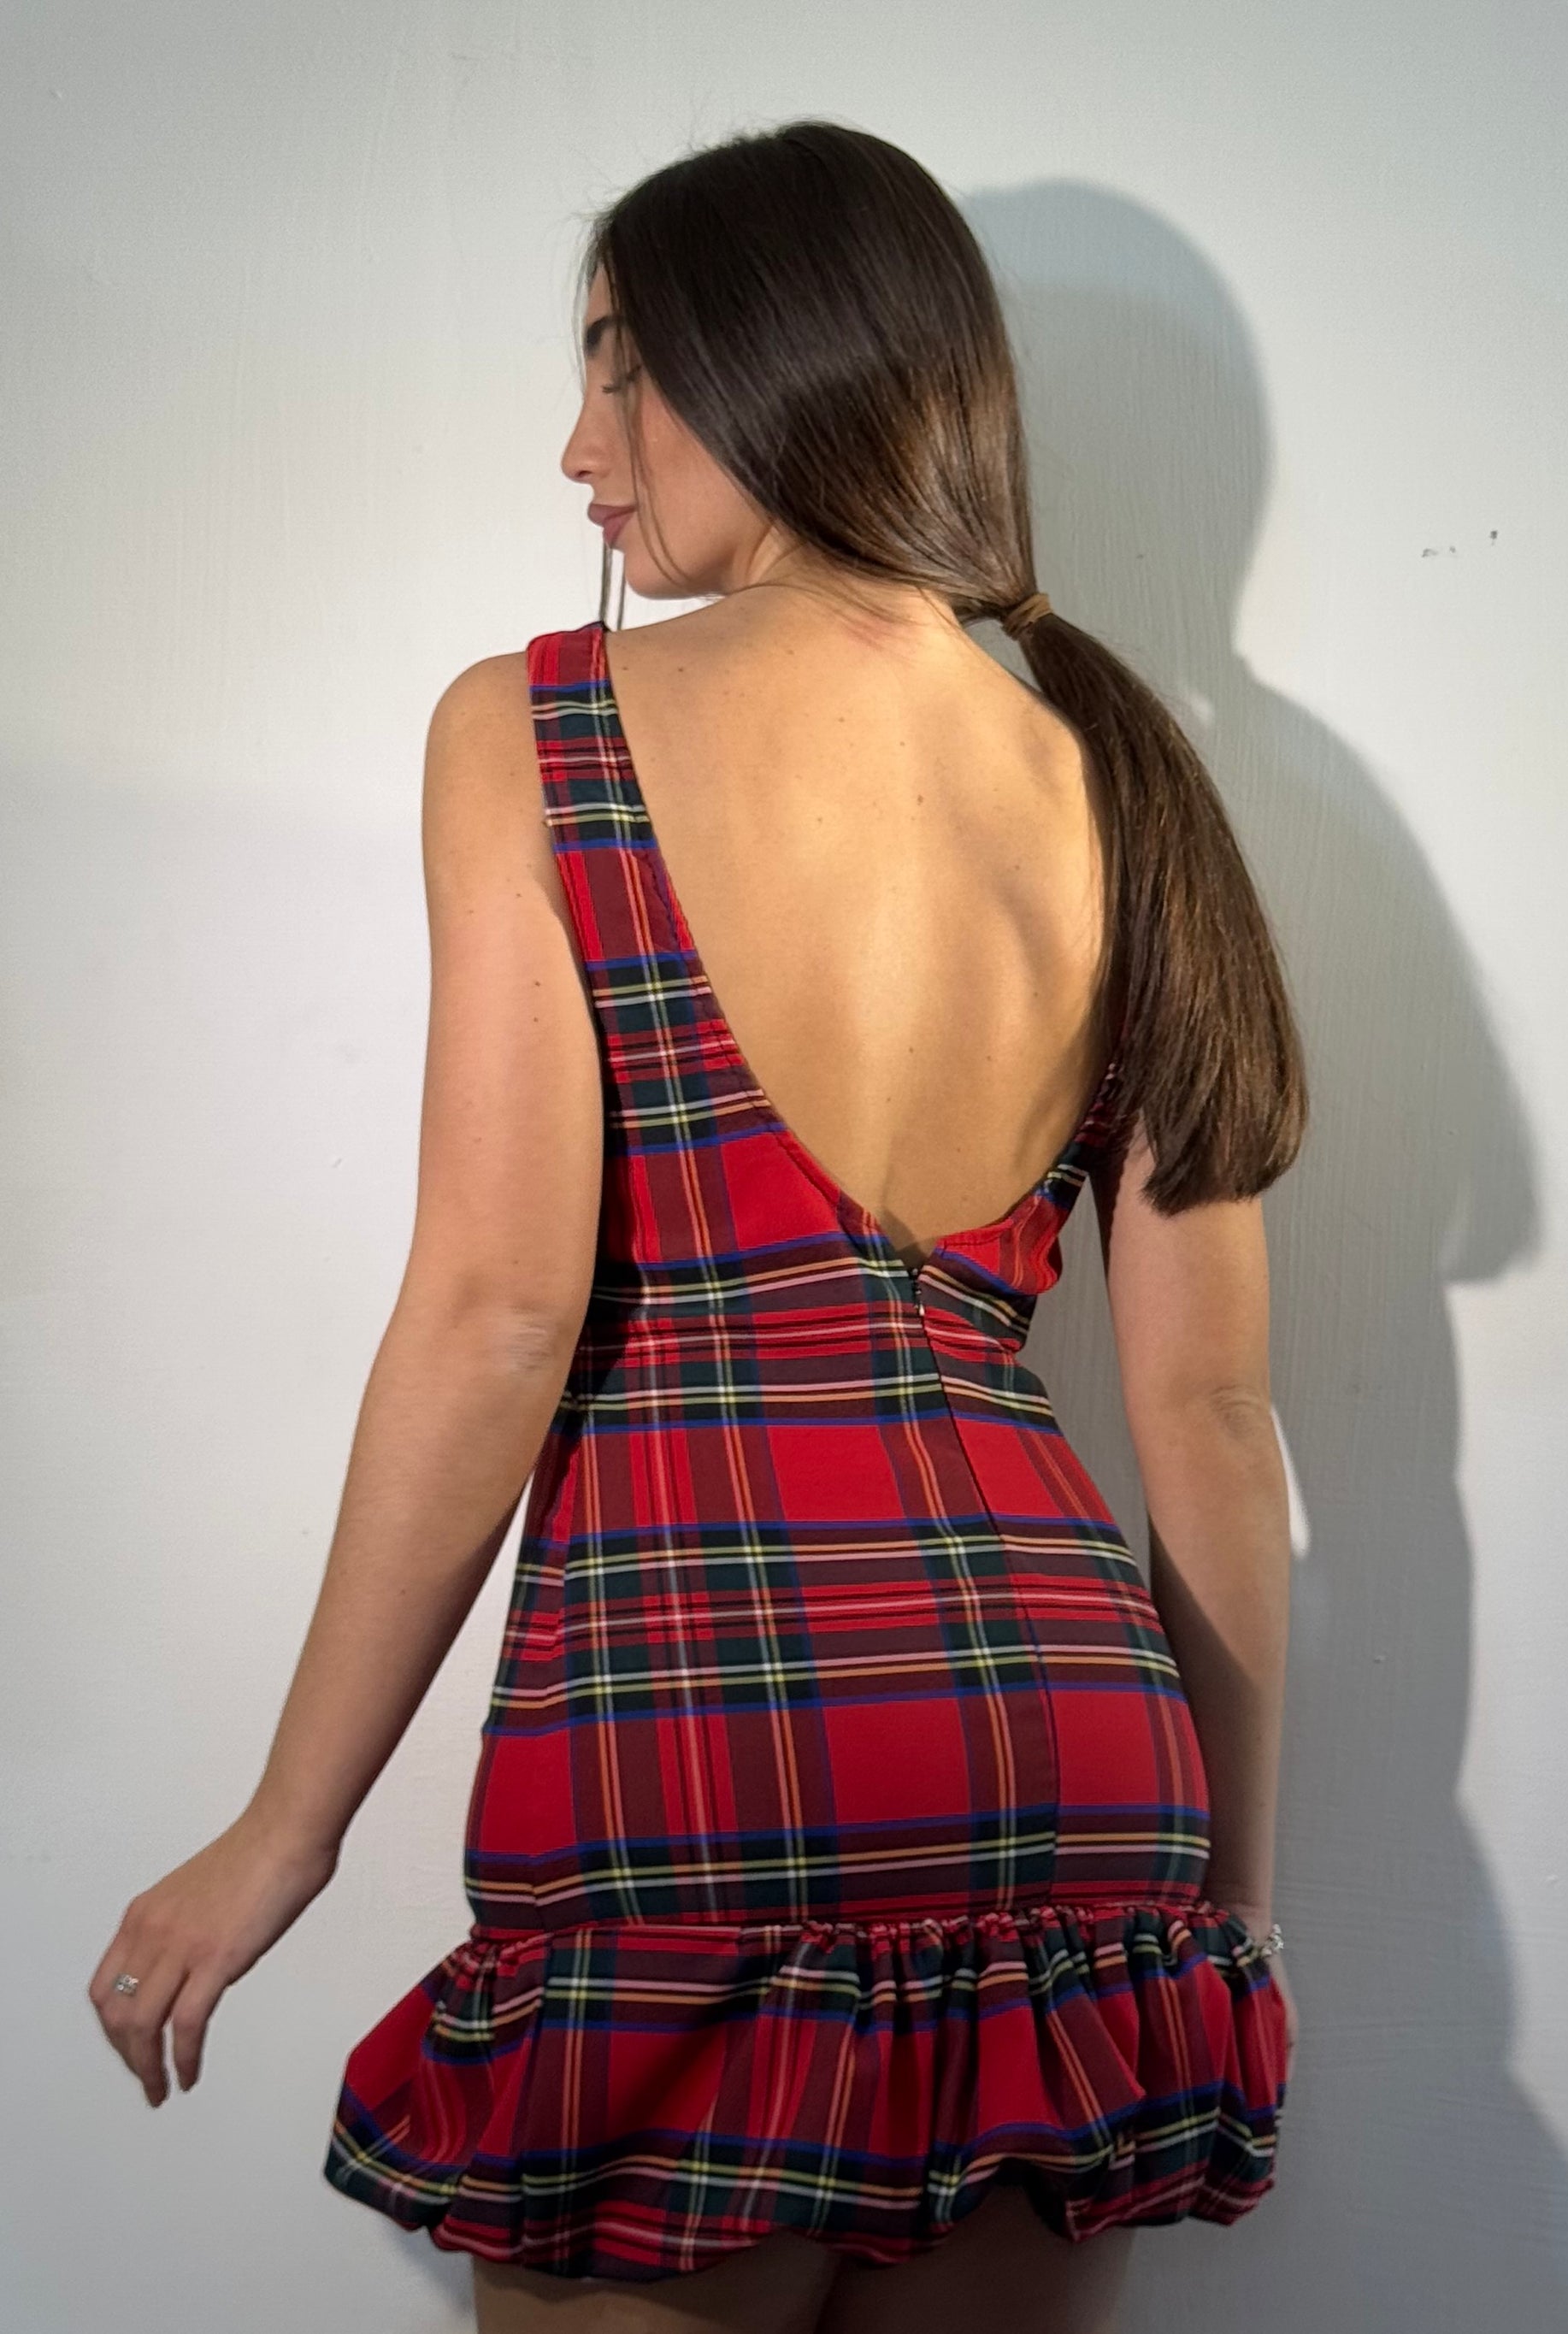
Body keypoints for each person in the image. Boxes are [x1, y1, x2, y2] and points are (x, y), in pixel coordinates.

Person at [89, 121, 1307, 2334]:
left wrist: (285, 1829)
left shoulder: (539, 730)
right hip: (1072, 1776)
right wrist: (1222, 1912)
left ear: (771, 360)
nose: (580, 449)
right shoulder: (1128, 779)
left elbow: (497, 1312)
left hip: (696, 1732)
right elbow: (1212, 1419)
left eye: (618, 369)